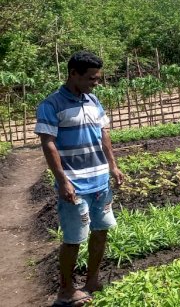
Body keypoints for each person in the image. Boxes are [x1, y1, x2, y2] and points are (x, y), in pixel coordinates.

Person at [35, 51, 125, 307]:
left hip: (99, 181)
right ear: (73, 74)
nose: (95, 83)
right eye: (90, 78)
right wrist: (62, 180)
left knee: (101, 230)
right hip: (74, 184)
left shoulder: (93, 100)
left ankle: (92, 280)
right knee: (74, 238)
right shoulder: (51, 104)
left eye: (97, 79)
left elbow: (103, 135)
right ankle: (65, 290)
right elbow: (48, 144)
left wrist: (113, 167)